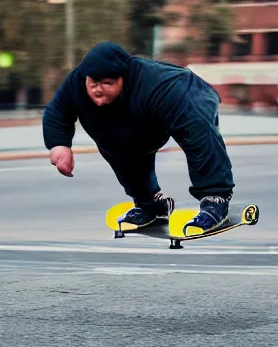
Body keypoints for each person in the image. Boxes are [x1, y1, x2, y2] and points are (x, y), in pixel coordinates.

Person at [42, 41, 235, 236]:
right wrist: (59, 145)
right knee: (114, 145)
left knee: (198, 137)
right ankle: (151, 204)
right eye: (93, 83)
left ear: (123, 79)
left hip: (187, 102)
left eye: (107, 83)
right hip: (134, 122)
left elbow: (199, 138)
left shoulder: (161, 84)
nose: (97, 89)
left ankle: (215, 200)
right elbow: (57, 111)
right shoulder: (77, 80)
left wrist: (214, 191)